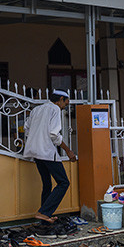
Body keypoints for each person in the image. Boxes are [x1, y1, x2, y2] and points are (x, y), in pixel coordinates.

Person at [22, 89, 77, 223]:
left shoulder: (37, 109)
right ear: (60, 100)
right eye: (66, 103)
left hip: (35, 152)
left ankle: (44, 216)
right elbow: (54, 134)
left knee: (47, 184)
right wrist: (68, 150)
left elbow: (26, 128)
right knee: (63, 182)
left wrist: (35, 140)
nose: (65, 106)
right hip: (46, 151)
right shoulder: (55, 109)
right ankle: (44, 212)